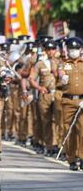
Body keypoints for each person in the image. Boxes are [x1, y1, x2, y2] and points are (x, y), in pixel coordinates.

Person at [29, 39, 58, 157]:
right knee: (45, 120)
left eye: (52, 49)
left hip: (57, 94)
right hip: (44, 95)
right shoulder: (40, 63)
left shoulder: (60, 62)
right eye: (48, 49)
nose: (50, 51)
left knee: (56, 120)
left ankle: (56, 144)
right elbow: (31, 79)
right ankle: (48, 145)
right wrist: (39, 88)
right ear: (45, 50)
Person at [58, 37, 83, 171]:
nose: (74, 52)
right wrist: (62, 77)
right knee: (69, 131)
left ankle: (82, 157)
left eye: (76, 49)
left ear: (81, 50)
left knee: (82, 130)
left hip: (82, 101)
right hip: (68, 101)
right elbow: (60, 72)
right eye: (71, 49)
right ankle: (72, 159)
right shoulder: (63, 63)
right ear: (67, 50)